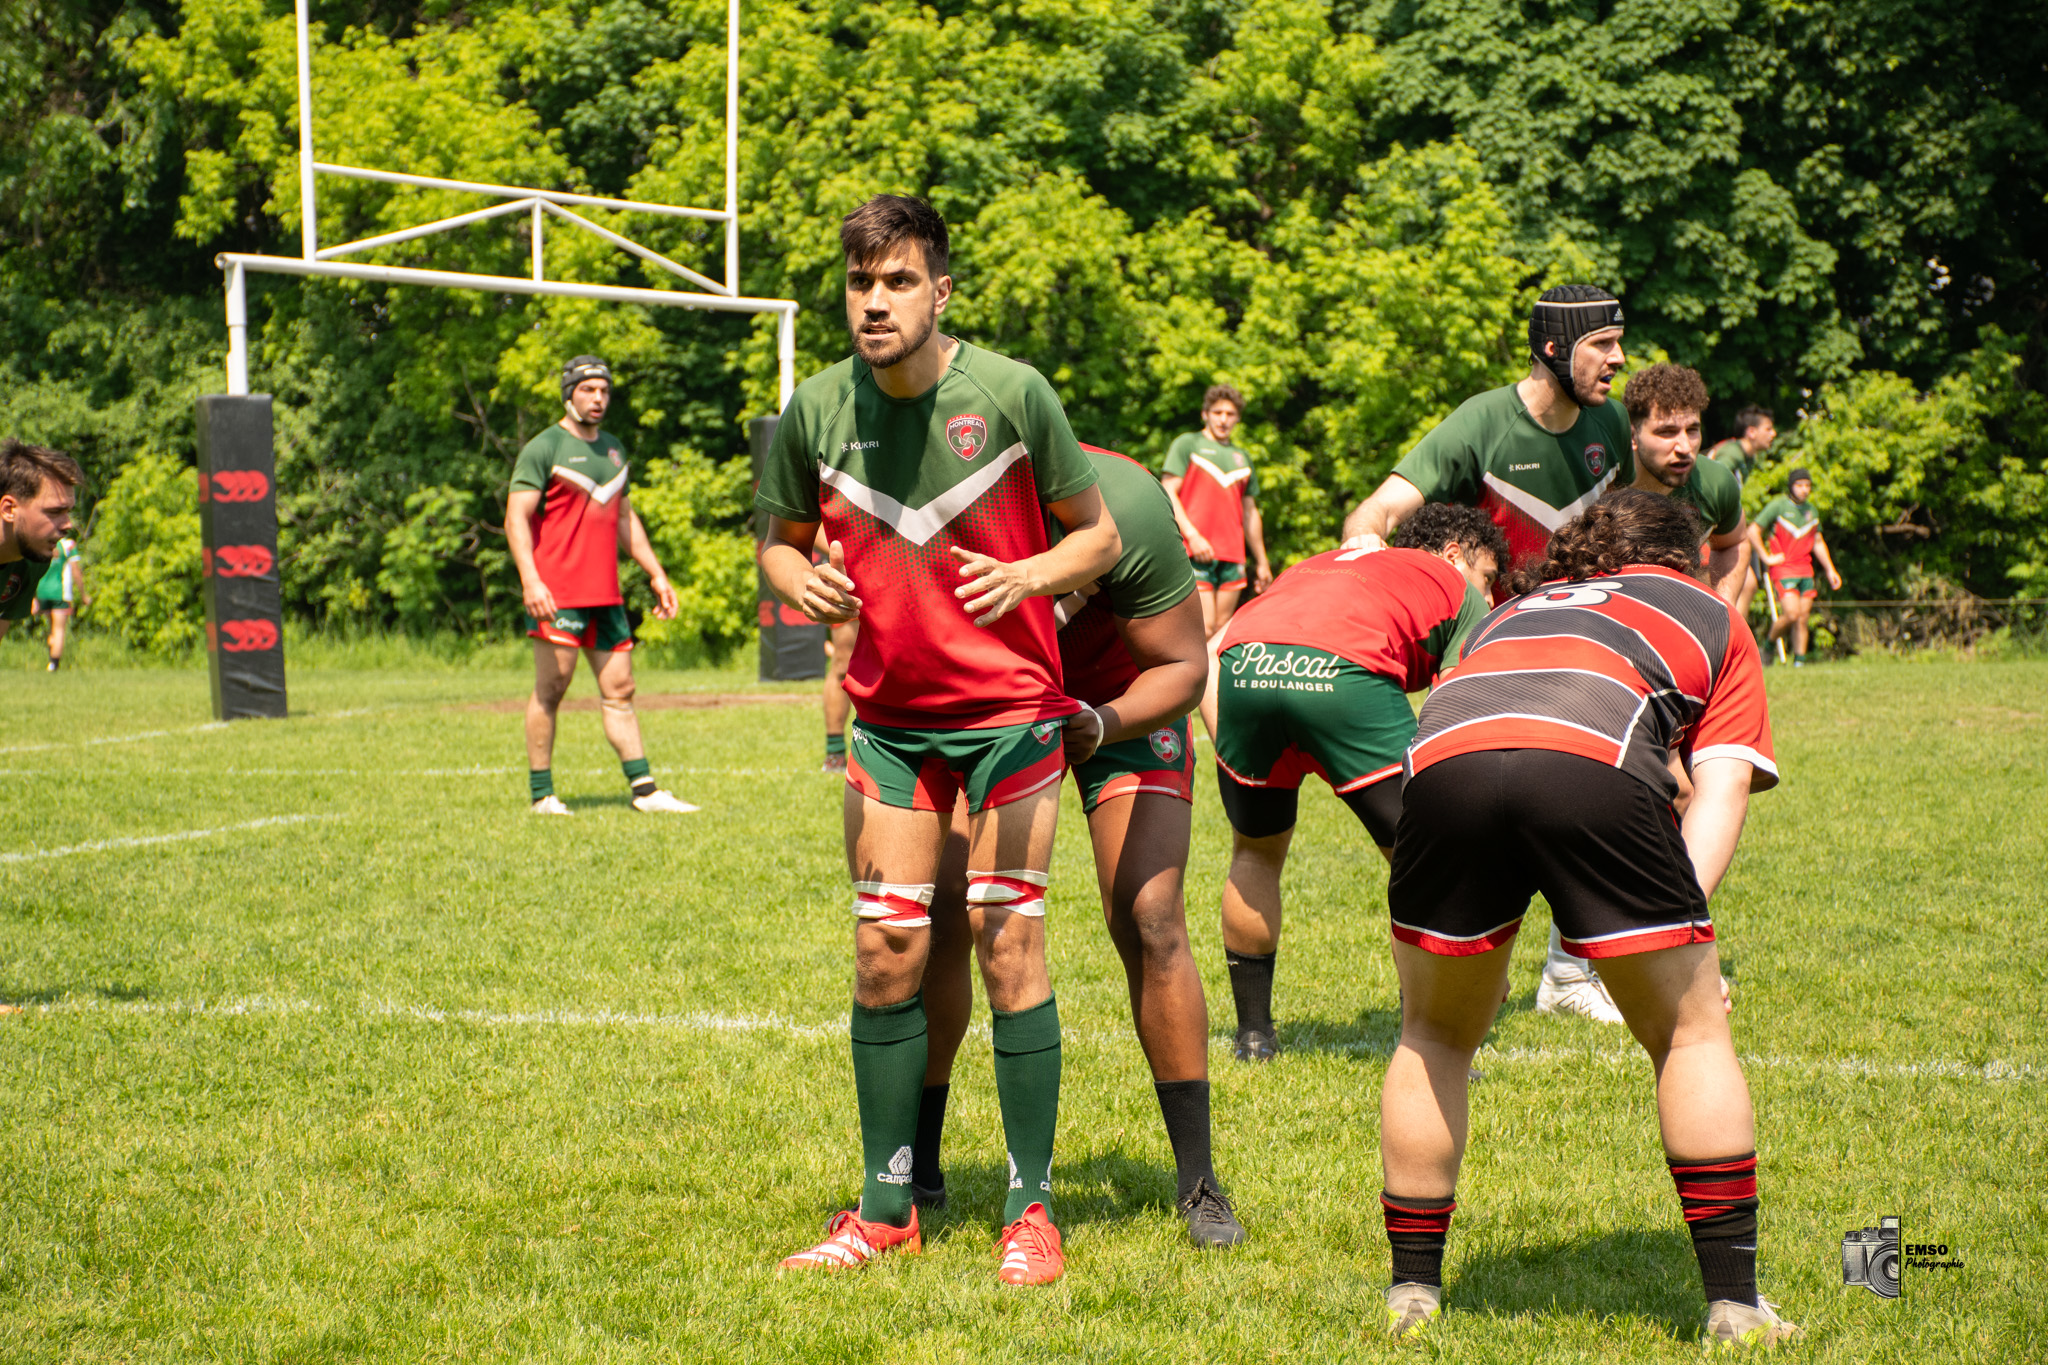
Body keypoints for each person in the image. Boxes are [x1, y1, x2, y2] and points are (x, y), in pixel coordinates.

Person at [757, 195, 1121, 1285]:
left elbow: (1096, 536)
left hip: (1009, 721)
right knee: (885, 956)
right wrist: (800, 578)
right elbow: (776, 543)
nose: (875, 302)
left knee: (1008, 947)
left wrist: (1029, 575)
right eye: (860, 283)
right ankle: (883, 1209)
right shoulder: (814, 410)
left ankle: (1030, 1209)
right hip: (889, 730)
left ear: (939, 290)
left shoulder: (1010, 394)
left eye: (898, 281)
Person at [1376, 489, 1792, 1348]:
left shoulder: (1515, 608)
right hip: (1588, 762)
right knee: (1690, 1032)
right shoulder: (1709, 608)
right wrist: (1671, 930)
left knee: (1434, 1034)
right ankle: (1734, 1302)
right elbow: (1720, 787)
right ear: (1686, 559)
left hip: (1441, 767)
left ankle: (1412, 1289)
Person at [915, 442, 1245, 1248]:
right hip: (987, 710)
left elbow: (1181, 666)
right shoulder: (930, 503)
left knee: (1152, 911)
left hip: (1115, 706)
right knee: (946, 915)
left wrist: (1099, 724)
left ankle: (1198, 1178)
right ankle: (916, 1169)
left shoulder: (1125, 502)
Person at [1337, 283, 1633, 1022]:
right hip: (1498, 658)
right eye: (1602, 344)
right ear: (1554, 349)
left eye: (1618, 342)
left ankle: (1568, 971)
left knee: (1619, 795)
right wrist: (1365, 540)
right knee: (1488, 824)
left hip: (1587, 645)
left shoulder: (1613, 426)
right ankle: (1461, 967)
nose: (1618, 360)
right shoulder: (1483, 422)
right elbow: (1377, 508)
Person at [1210, 505, 1504, 1061]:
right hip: (1342, 671)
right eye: (1488, 578)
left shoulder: (1325, 563)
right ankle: (1433, 1036)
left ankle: (1253, 1036)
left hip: (1244, 662)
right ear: (1453, 555)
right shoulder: (1454, 588)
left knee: (1255, 854)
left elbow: (1222, 641)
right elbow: (1462, 703)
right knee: (1427, 863)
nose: (1489, 597)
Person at [506, 355, 698, 815]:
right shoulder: (544, 447)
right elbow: (515, 519)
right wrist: (530, 581)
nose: (598, 399)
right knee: (551, 690)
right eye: (589, 390)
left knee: (621, 690)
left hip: (605, 595)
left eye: (604, 391)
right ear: (568, 393)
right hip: (557, 593)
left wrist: (656, 573)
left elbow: (625, 520)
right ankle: (542, 795)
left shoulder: (613, 449)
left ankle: (645, 791)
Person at [1623, 363, 1749, 603]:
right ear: (1632, 436)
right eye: (1667, 432)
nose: (1684, 448)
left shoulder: (1716, 483)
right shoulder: (1601, 482)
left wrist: (1722, 608)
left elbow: (1736, 543)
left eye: (1692, 430)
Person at [1161, 385, 1272, 640]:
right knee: (1203, 629)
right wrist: (1193, 535)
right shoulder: (1188, 443)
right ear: (1205, 414)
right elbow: (1168, 490)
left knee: (1223, 633)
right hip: (1195, 551)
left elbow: (1250, 512)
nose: (1223, 419)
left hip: (1233, 556)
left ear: (1237, 418)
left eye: (1230, 414)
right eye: (1217, 412)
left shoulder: (1241, 457)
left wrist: (1262, 561)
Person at [0, 441, 82, 685]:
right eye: (55, 512)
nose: (68, 525)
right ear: (9, 509)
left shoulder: (31, 561)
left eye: (69, 511)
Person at [1749, 468, 1840, 666]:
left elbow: (1817, 541)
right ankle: (1769, 645)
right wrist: (1766, 557)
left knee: (1803, 618)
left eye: (1808, 485)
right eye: (1800, 485)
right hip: (1784, 568)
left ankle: (1799, 662)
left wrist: (1830, 569)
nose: (1804, 489)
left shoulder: (1811, 511)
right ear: (1791, 486)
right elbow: (1753, 530)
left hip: (1805, 569)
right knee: (1791, 613)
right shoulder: (1778, 506)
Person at [1708, 406, 1776, 618]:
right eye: (1768, 428)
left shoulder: (1748, 458)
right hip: (1709, 524)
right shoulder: (1732, 452)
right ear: (1751, 431)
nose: (1773, 434)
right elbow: (1713, 484)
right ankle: (1730, 639)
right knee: (1745, 584)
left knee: (1748, 585)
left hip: (1719, 523)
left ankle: (1734, 639)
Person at [814, 529, 858, 774]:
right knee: (843, 663)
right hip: (852, 574)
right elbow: (808, 527)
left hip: (908, 570)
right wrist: (849, 552)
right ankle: (835, 755)